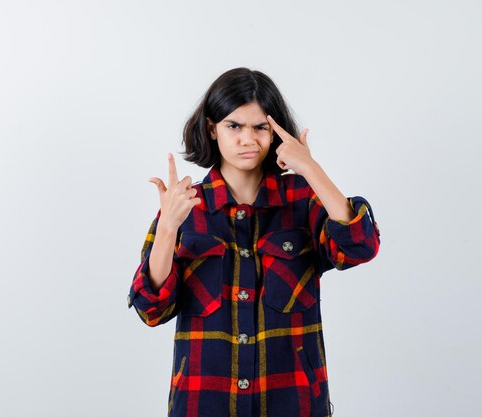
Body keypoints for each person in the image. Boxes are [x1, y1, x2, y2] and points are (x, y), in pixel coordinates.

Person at [127, 67, 381, 417]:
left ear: (275, 131)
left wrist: (311, 169)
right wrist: (168, 227)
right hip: (204, 404)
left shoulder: (303, 199)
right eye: (234, 126)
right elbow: (151, 310)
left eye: (260, 127)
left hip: (293, 402)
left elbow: (359, 246)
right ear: (212, 128)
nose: (248, 139)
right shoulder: (184, 207)